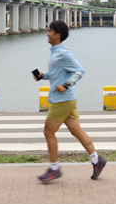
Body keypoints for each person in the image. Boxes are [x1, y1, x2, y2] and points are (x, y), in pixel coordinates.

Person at [34, 20, 107, 183]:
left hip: (62, 101)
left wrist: (66, 85)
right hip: (68, 100)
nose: (47, 33)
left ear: (57, 35)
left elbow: (80, 70)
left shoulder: (63, 53)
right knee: (76, 131)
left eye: (50, 31)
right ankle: (97, 160)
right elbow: (56, 73)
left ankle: (54, 168)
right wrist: (43, 75)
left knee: (48, 132)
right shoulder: (55, 52)